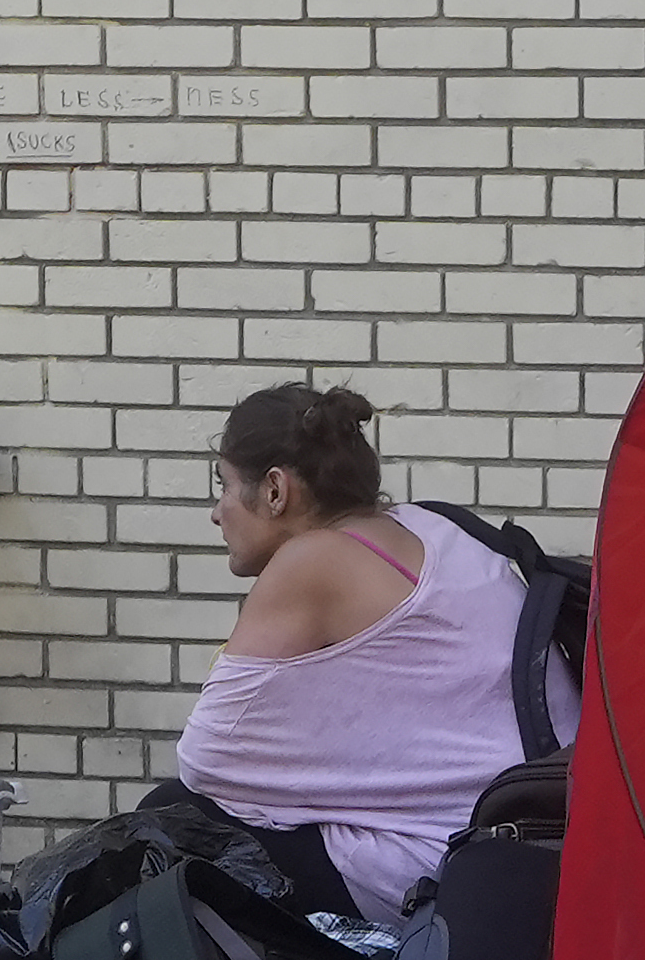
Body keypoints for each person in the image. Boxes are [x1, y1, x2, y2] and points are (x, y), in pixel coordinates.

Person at [160, 382, 556, 923]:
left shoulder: (311, 562)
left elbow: (206, 763)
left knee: (168, 820)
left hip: (442, 868)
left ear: (275, 490)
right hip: (537, 839)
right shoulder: (428, 523)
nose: (216, 512)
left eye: (224, 487)